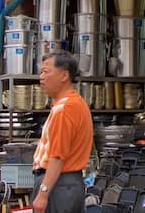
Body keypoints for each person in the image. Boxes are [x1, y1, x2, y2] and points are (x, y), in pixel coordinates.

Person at [32, 51, 94, 213]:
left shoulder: (65, 108)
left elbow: (58, 156)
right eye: (41, 72)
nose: (41, 77)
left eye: (46, 71)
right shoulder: (73, 103)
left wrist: (43, 193)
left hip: (58, 184)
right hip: (65, 184)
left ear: (64, 75)